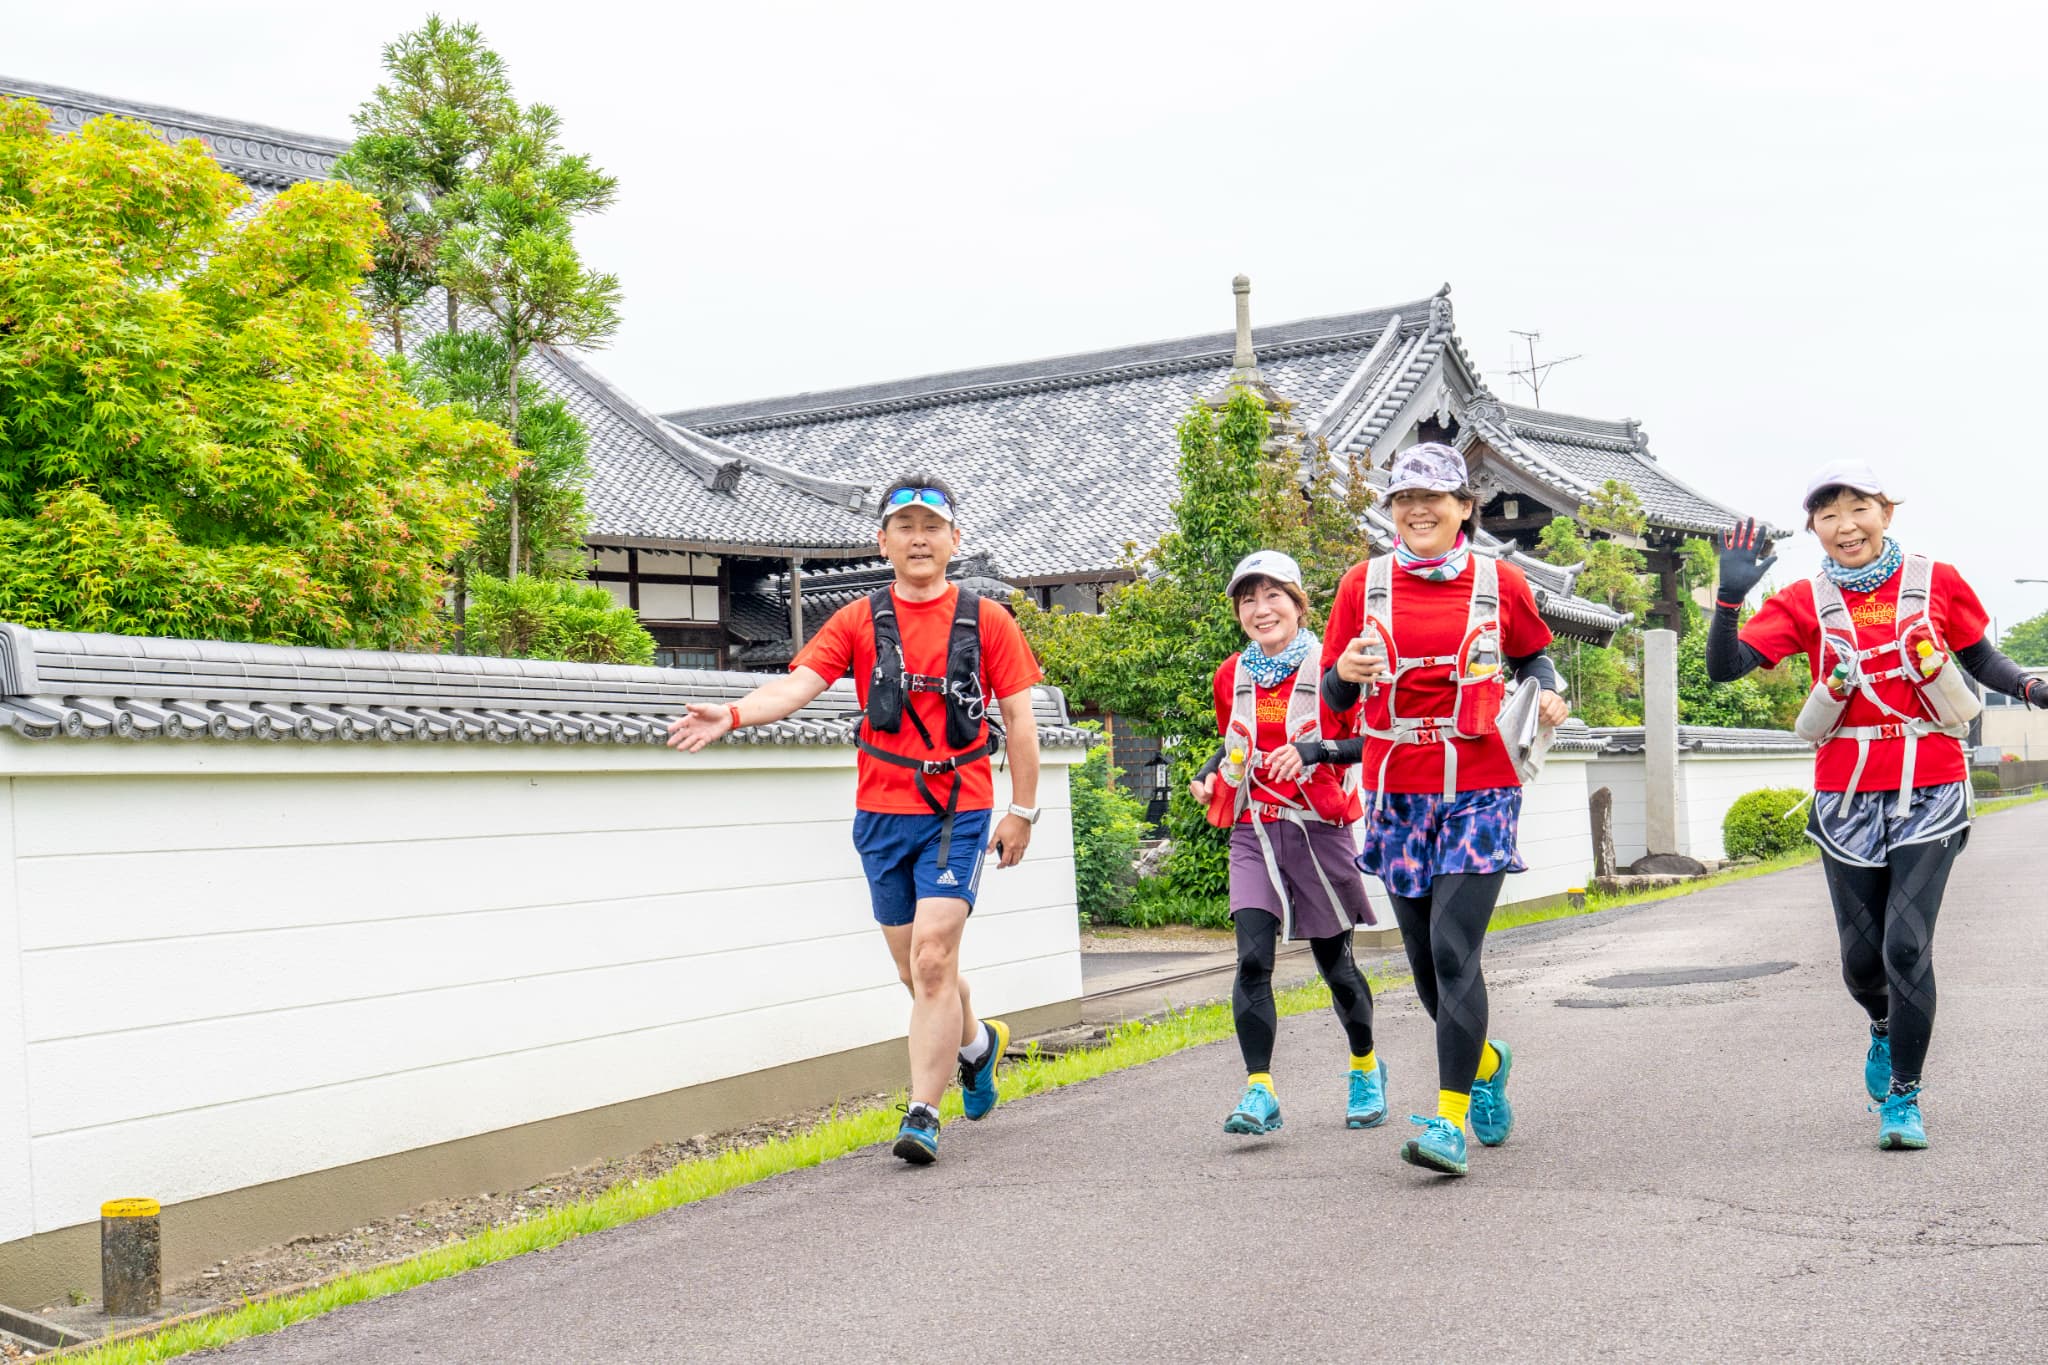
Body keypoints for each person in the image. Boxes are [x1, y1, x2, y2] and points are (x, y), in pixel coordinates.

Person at [667, 474, 1044, 1166]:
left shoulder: (988, 619)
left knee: (933, 956)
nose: (920, 537)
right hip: (880, 813)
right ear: (883, 541)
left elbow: (1020, 719)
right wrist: (735, 712)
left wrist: (1021, 809)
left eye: (933, 525)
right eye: (905, 526)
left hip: (958, 808)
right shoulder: (858, 619)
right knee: (918, 970)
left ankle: (923, 1113)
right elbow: (798, 684)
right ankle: (977, 1046)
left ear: (955, 539)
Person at [1709, 460, 2046, 1150]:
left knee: (1906, 944)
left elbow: (1983, 660)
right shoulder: (1805, 599)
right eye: (1827, 514)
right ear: (1814, 530)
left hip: (1931, 784)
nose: (1845, 524)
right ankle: (1884, 1026)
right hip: (1845, 791)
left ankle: (1904, 1097)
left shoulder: (1935, 582)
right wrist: (1726, 601)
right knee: (1862, 965)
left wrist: (2033, 686)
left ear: (1885, 513)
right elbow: (1724, 669)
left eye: (1857, 507)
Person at [1321, 442, 1568, 1177]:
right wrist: (1343, 672)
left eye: (1434, 496)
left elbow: (1536, 658)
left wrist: (1549, 692)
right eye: (1403, 498)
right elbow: (1335, 707)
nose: (1417, 509)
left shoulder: (1503, 583)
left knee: (1458, 950)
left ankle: (1449, 1120)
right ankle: (1487, 1060)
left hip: (1482, 784)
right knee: (1429, 967)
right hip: (1397, 789)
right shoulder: (1361, 587)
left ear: (1465, 506)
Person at [1188, 550, 1387, 1139]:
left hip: (1318, 831)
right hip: (1254, 828)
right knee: (1252, 957)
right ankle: (1260, 1089)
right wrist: (1207, 774)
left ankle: (1365, 1067)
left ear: (1299, 604)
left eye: (1273, 595)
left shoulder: (1337, 666)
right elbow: (1234, 744)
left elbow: (1372, 744)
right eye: (1248, 598)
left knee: (1336, 963)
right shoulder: (1233, 674)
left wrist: (1314, 751)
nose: (1260, 608)